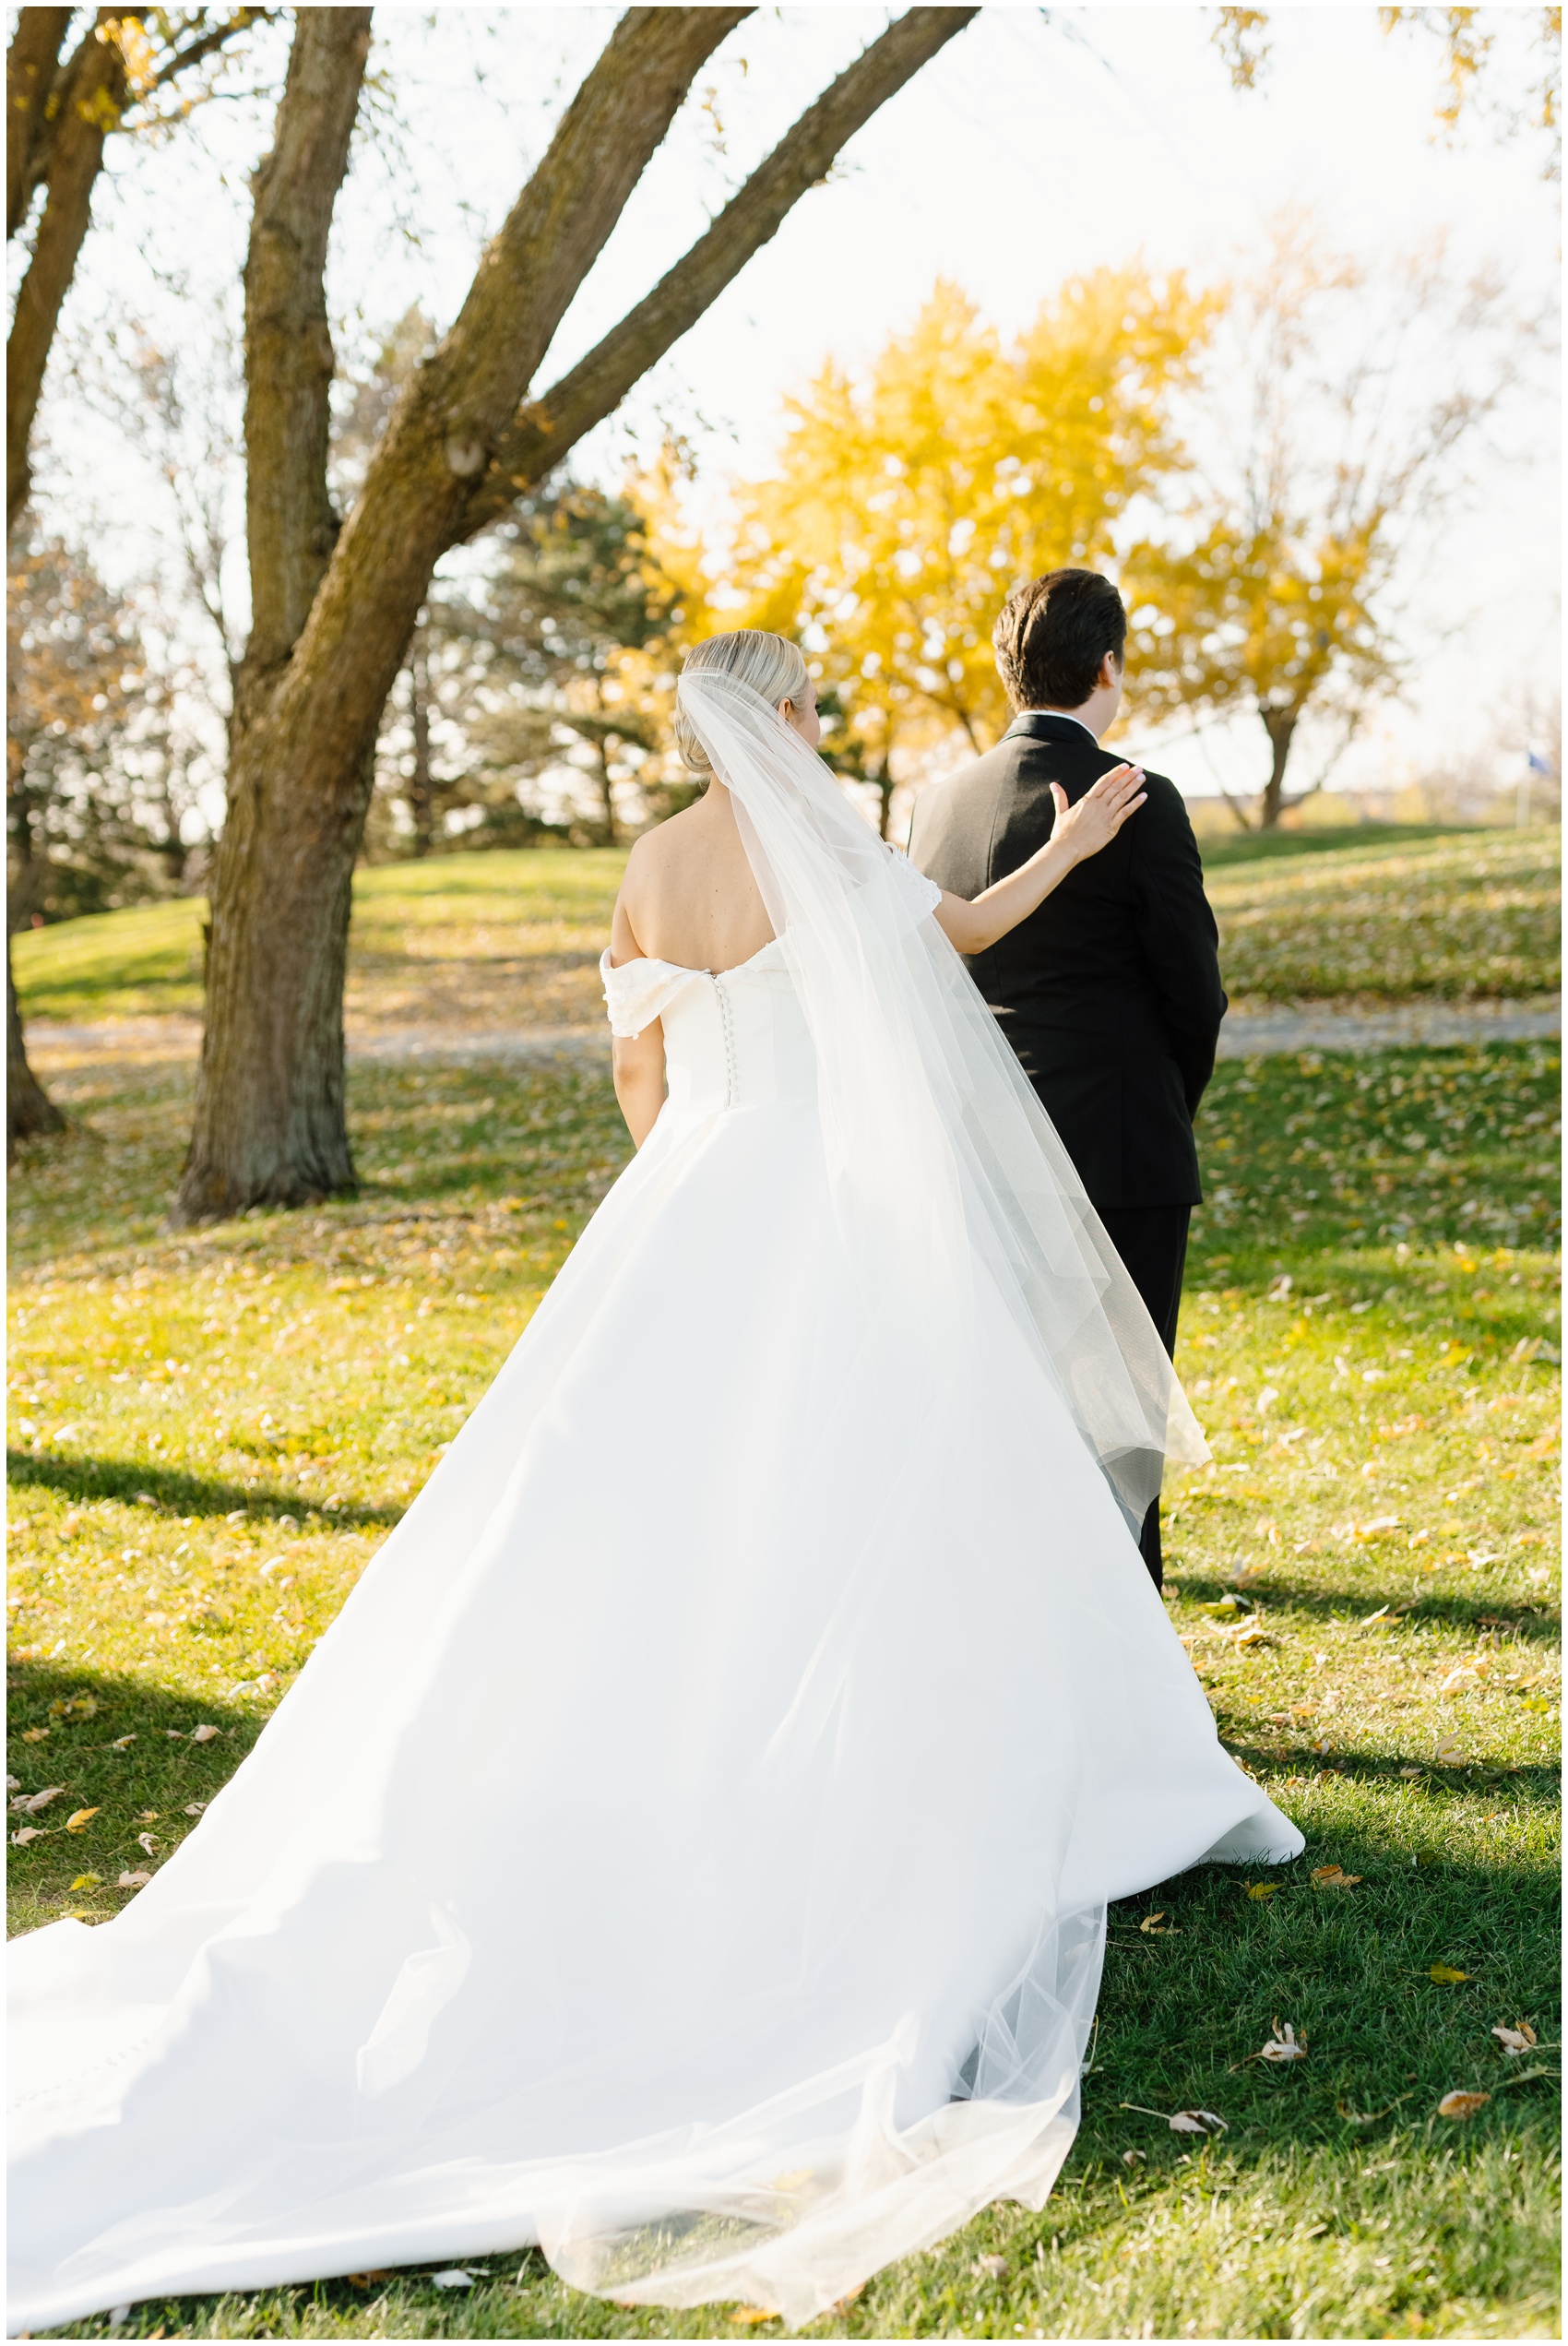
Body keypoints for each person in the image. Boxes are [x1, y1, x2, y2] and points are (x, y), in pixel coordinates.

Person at [7, 631, 1301, 2338]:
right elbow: (960, 945)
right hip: (824, 1201)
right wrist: (1067, 848)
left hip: (691, 1199)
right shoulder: (824, 838)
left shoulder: (648, 860)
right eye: (813, 702)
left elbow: (641, 1066)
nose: (826, 723)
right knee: (892, 1498)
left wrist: (696, 1182)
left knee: (653, 1520)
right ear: (777, 716)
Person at [909, 570, 1226, 1590]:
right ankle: (1124, 1642)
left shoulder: (939, 805)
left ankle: (1017, 1620)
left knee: (1012, 1404)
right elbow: (1193, 990)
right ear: (1106, 667)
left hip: (983, 1146)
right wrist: (1167, 1100)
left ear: (1010, 673)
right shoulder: (1137, 794)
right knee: (1120, 1422)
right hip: (1122, 1142)